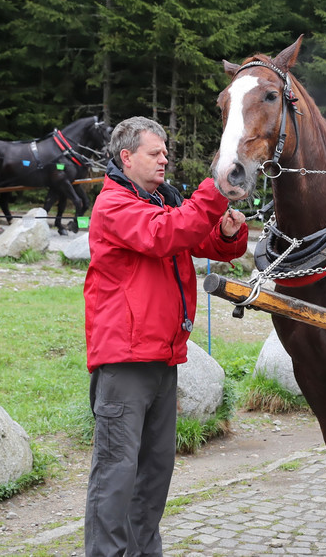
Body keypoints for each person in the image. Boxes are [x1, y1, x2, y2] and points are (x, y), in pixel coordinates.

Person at [83, 116, 247, 557]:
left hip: (163, 356)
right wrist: (213, 189)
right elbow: (164, 235)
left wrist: (228, 232)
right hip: (125, 360)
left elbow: (204, 240)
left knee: (155, 471)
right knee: (116, 473)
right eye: (155, 153)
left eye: (165, 152)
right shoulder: (114, 204)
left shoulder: (160, 198)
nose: (164, 159)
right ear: (126, 157)